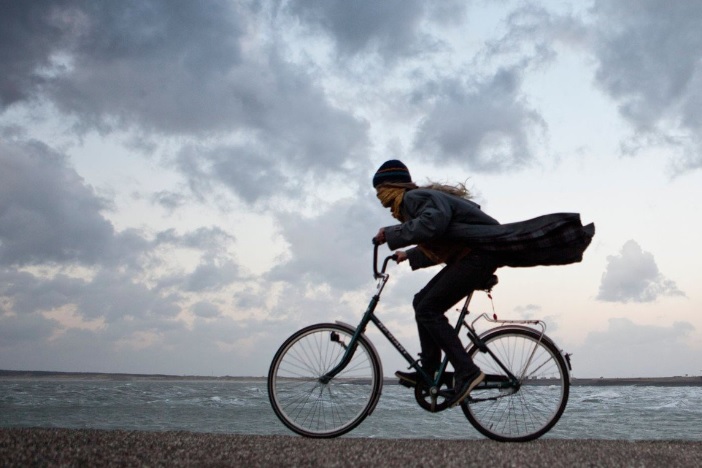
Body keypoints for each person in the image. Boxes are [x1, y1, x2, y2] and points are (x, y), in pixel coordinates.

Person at [372, 159, 594, 408]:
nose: (380, 197)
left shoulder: (414, 199)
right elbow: (444, 237)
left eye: (379, 190)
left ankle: (466, 372)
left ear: (389, 186)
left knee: (427, 308)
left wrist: (391, 234)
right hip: (474, 256)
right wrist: (410, 254)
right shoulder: (414, 203)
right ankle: (431, 369)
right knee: (421, 302)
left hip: (478, 257)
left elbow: (435, 223)